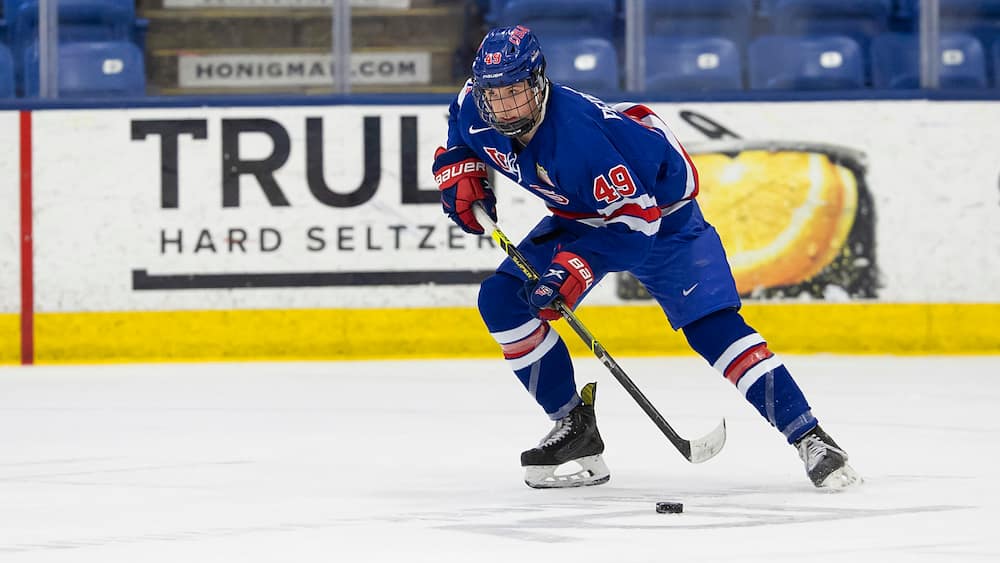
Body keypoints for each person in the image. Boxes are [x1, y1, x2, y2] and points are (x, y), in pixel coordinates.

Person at [431, 25, 861, 490]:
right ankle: (575, 429)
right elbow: (458, 120)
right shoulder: (476, 104)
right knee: (503, 301)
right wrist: (461, 165)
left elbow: (637, 230)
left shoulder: (581, 137)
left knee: (713, 328)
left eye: (516, 91)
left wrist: (577, 267)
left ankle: (811, 438)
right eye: (495, 94)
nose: (505, 106)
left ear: (539, 81)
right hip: (580, 214)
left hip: (661, 219)